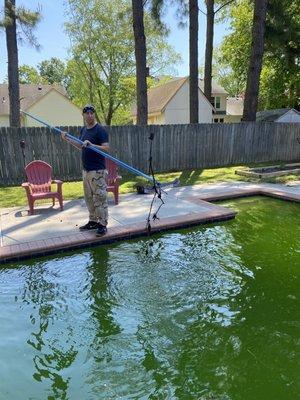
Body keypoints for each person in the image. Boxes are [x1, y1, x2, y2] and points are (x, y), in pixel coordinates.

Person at [61, 105, 109, 236]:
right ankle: (93, 221)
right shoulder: (84, 130)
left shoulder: (100, 130)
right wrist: (68, 139)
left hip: (97, 171)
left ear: (94, 114)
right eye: (87, 113)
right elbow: (81, 146)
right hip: (86, 171)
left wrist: (92, 145)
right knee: (89, 198)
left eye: (91, 113)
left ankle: (103, 225)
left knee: (100, 198)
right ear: (83, 115)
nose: (89, 115)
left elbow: (106, 148)